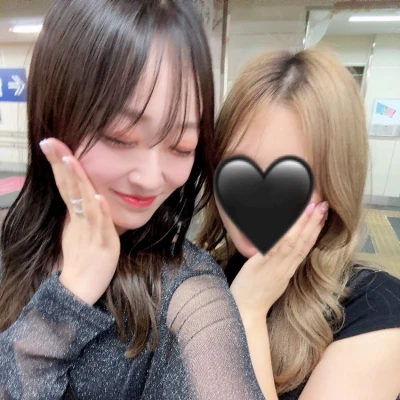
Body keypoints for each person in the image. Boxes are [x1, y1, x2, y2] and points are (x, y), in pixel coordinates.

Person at [0, 1, 267, 399]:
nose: (150, 178)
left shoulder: (189, 295)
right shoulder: (11, 240)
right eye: (120, 137)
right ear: (54, 116)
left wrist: (64, 306)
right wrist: (73, 287)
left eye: (181, 146)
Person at [197, 48, 400, 400]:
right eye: (238, 168)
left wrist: (246, 313)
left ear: (335, 185)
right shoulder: (202, 274)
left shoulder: (376, 309)